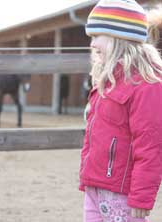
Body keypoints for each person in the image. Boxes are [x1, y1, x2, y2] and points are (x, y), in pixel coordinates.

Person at [80, 0, 162, 221]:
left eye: (97, 36)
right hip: (95, 187)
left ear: (118, 37)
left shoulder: (147, 85)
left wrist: (141, 197)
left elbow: (150, 144)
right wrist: (86, 178)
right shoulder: (105, 81)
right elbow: (92, 135)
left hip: (121, 194)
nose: (93, 44)